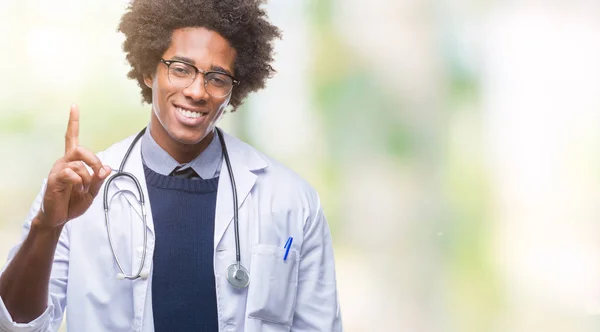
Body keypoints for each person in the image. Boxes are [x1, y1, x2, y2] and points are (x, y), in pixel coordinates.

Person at [0, 0, 343, 331]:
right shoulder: (79, 187)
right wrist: (47, 226)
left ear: (233, 92)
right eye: (181, 69)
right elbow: (16, 326)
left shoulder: (292, 201)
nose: (197, 91)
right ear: (150, 71)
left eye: (217, 78)